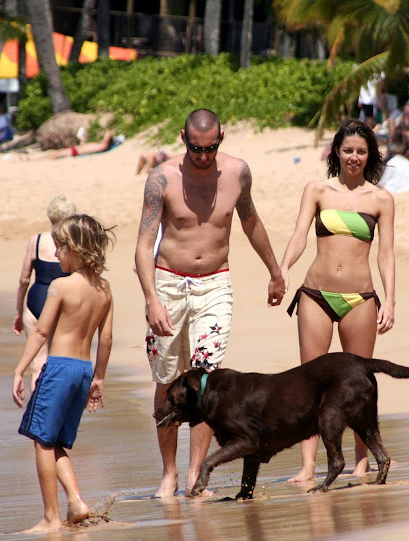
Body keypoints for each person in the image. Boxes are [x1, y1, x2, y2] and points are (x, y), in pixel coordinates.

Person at [134, 108, 285, 498]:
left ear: (222, 138)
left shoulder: (237, 173)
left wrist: (275, 270)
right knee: (167, 380)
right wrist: (151, 299)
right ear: (183, 137)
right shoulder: (161, 178)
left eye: (211, 148)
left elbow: (250, 221)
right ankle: (168, 473)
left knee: (204, 381)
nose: (203, 155)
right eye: (196, 148)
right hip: (167, 282)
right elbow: (143, 245)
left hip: (215, 284)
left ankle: (194, 474)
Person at [280, 119, 395, 482]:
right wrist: (283, 268)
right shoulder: (317, 190)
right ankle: (308, 466)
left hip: (360, 298)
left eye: (361, 151)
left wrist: (389, 300)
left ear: (370, 155)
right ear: (336, 152)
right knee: (309, 383)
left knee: (358, 383)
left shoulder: (380, 199)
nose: (354, 157)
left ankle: (361, 461)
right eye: (348, 150)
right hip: (315, 294)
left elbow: (386, 254)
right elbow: (300, 234)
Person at [11, 214, 114, 534]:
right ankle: (76, 503)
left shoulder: (60, 286)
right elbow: (106, 339)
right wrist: (98, 379)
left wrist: (18, 370)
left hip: (58, 368)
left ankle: (51, 518)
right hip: (84, 370)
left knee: (41, 441)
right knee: (56, 441)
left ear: (77, 250)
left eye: (60, 249)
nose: (55, 255)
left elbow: (41, 333)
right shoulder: (104, 288)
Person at [13, 195, 78, 390]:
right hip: (63, 303)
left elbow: (24, 280)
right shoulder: (75, 242)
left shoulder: (37, 240)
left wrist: (18, 312)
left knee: (37, 365)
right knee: (62, 362)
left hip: (36, 300)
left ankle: (36, 411)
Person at [44, 130, 119, 159]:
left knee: (56, 154)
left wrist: (108, 132)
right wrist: (83, 140)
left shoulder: (101, 146)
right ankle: (41, 159)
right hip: (76, 150)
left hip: (76, 151)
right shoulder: (98, 145)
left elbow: (105, 144)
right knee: (56, 153)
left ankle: (41, 160)